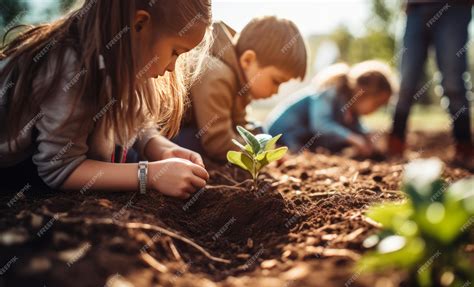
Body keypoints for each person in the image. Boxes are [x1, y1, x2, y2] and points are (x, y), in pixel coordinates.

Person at [0, 0, 212, 199]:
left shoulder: (123, 57)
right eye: (175, 51)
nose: (172, 67)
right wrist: (150, 176)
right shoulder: (71, 68)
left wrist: (160, 147)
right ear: (139, 24)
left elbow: (135, 121)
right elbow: (60, 168)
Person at [173, 16, 307, 161]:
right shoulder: (218, 75)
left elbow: (240, 126)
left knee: (259, 132)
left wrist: (269, 149)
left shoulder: (241, 83)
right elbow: (218, 142)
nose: (276, 91)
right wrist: (265, 157)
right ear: (248, 60)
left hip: (197, 132)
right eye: (276, 81)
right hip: (168, 135)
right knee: (197, 144)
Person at [389, 0, 474, 169]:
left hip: (455, 7)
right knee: (406, 80)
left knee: (453, 81)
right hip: (416, 8)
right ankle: (395, 146)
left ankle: (464, 147)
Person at [266, 61, 395, 156]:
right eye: (377, 104)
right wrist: (354, 139)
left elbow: (356, 127)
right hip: (281, 132)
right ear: (363, 93)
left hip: (301, 136)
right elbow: (321, 125)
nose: (377, 109)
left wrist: (366, 136)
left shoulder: (352, 110)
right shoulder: (330, 92)